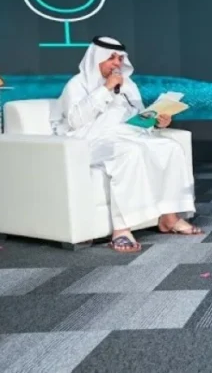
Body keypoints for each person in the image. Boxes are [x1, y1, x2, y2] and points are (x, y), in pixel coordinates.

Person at [50, 36, 201, 253]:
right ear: (96, 58)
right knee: (129, 152)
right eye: (111, 58)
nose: (117, 63)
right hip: (90, 141)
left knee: (170, 148)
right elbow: (75, 121)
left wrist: (157, 122)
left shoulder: (127, 85)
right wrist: (106, 88)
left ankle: (169, 217)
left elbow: (138, 118)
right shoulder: (77, 84)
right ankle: (121, 229)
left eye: (120, 58)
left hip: (128, 135)